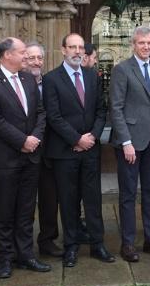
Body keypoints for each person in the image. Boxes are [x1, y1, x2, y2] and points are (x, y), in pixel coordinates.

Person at [0, 37, 50, 278]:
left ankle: (26, 255)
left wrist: (35, 138)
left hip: (31, 156)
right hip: (5, 158)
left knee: (27, 209)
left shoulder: (29, 79)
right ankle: (6, 258)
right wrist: (22, 141)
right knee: (6, 210)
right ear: (7, 55)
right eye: (22, 53)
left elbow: (41, 113)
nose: (26, 57)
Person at [42, 33, 116, 267]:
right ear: (63, 50)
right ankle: (71, 246)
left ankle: (97, 244)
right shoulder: (51, 79)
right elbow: (53, 116)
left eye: (80, 47)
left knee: (93, 199)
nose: (77, 51)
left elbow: (101, 111)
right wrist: (76, 139)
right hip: (65, 151)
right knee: (68, 200)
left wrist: (92, 136)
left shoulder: (92, 77)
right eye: (72, 47)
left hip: (90, 150)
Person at [109, 26, 150, 261]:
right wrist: (125, 141)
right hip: (130, 143)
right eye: (141, 43)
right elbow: (115, 108)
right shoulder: (122, 70)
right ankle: (128, 243)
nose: (145, 46)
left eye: (149, 43)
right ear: (133, 44)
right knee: (127, 194)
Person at [25, 42, 63, 259]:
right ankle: (23, 244)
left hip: (49, 152)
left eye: (39, 58)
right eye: (31, 58)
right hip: (23, 151)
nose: (36, 62)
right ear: (23, 60)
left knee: (50, 201)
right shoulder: (17, 82)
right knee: (25, 203)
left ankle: (47, 240)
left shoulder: (50, 82)